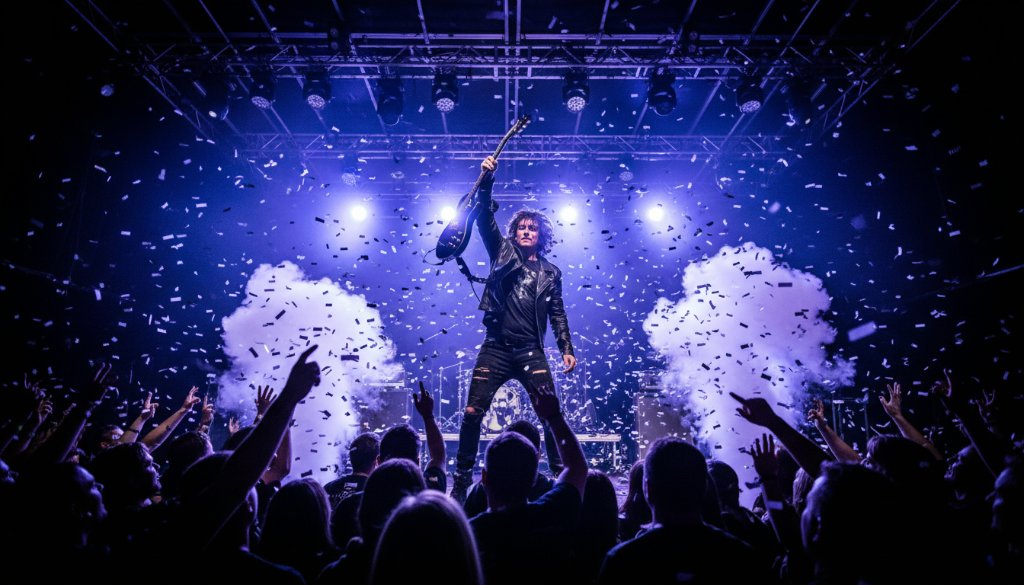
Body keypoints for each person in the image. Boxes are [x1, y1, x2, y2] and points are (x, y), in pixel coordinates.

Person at [451, 155, 577, 502]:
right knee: (473, 412)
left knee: (550, 416)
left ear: (541, 236)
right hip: (496, 347)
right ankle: (462, 478)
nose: (525, 231)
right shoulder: (502, 250)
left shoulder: (551, 273)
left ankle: (559, 476)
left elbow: (558, 312)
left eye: (531, 228)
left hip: (530, 351)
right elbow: (485, 219)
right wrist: (487, 179)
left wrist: (566, 347)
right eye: (521, 227)